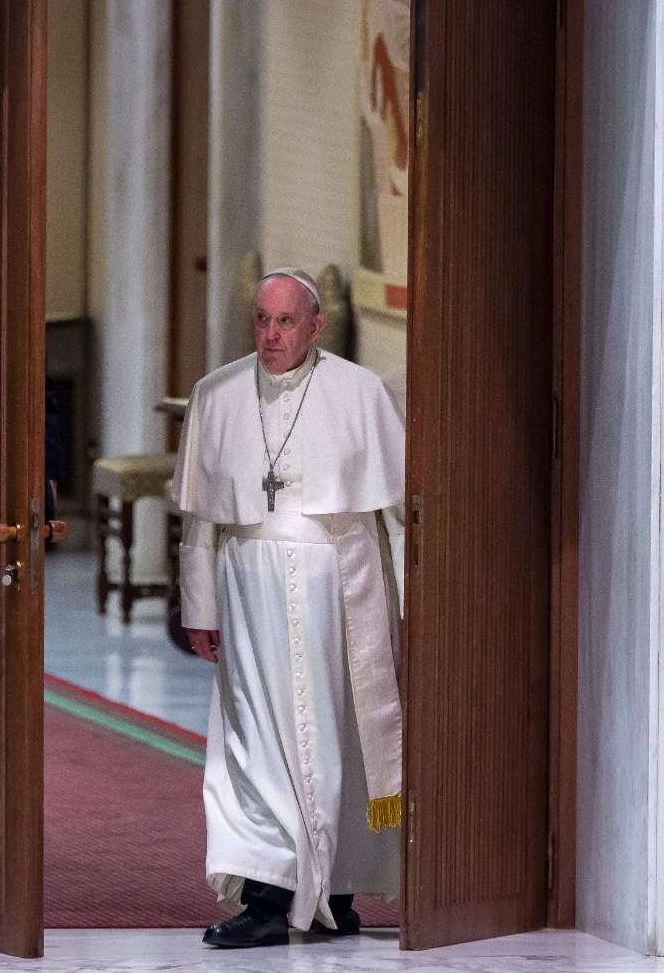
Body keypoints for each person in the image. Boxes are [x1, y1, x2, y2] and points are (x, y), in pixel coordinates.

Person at [173, 267, 406, 948]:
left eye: (285, 322)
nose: (271, 336)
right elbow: (199, 521)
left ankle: (332, 892)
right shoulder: (216, 393)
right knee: (255, 744)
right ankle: (270, 894)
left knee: (332, 738)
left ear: (314, 324)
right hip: (247, 586)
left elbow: (398, 513)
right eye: (262, 320)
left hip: (335, 587)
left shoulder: (359, 393)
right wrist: (200, 606)